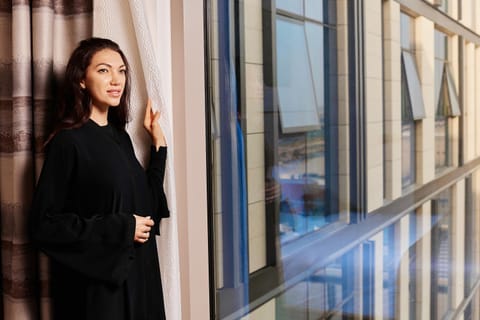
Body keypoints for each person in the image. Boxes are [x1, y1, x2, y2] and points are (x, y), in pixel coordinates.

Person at [29, 37, 169, 320]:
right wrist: (120, 227)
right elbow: (43, 225)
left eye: (121, 71)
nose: (116, 80)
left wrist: (159, 149)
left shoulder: (121, 137)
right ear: (81, 79)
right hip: (102, 295)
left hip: (141, 282)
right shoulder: (68, 142)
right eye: (104, 70)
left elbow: (146, 205)